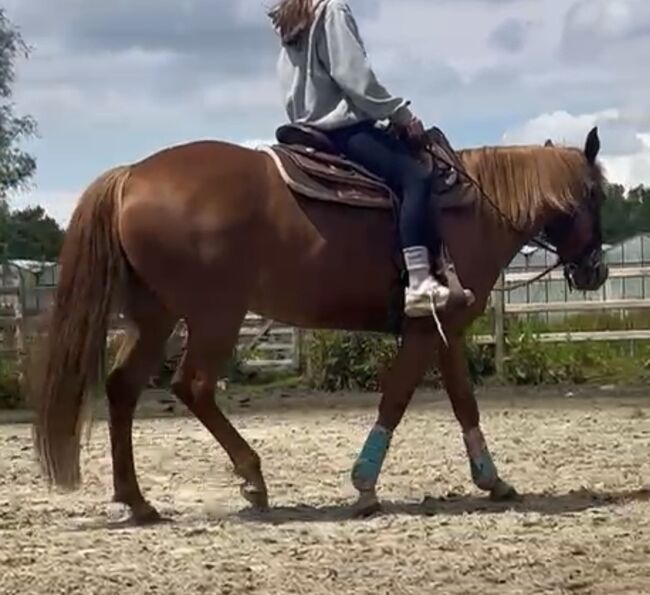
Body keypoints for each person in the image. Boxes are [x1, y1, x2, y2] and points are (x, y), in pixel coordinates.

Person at [268, 0, 471, 319]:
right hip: (341, 129)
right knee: (415, 178)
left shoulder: (294, 18)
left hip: (304, 126)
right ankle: (419, 282)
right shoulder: (331, 9)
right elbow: (355, 78)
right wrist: (400, 115)